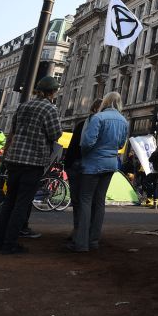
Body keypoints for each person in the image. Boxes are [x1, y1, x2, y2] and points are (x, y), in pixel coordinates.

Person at [0, 76, 62, 254]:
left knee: (9, 201)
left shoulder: (23, 106)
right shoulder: (49, 108)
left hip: (15, 158)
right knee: (22, 203)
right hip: (33, 161)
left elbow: (13, 130)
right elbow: (55, 134)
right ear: (51, 92)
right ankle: (10, 244)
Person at [67, 92, 129, 253]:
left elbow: (87, 143)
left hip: (93, 163)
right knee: (99, 201)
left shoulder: (98, 118)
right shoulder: (124, 121)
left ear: (106, 102)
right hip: (110, 164)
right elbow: (121, 143)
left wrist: (87, 155)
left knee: (85, 200)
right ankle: (94, 240)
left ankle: (81, 243)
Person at [65, 98, 102, 231]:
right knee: (88, 201)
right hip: (89, 165)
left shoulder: (83, 124)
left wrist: (68, 164)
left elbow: (74, 146)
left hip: (78, 164)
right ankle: (85, 232)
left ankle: (79, 231)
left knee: (79, 201)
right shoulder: (99, 125)